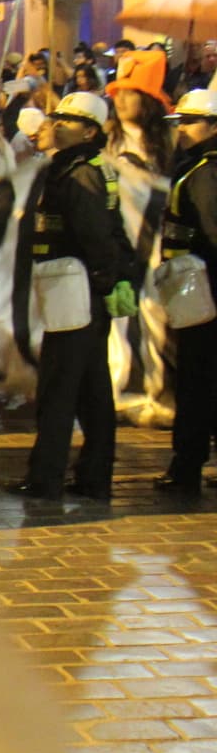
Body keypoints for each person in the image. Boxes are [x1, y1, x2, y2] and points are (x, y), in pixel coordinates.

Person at [13, 91, 140, 502]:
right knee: (91, 389)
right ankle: (92, 478)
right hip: (80, 289)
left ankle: (46, 479)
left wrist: (104, 281)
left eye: (66, 120)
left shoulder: (80, 172)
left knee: (60, 386)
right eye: (55, 117)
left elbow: (95, 234)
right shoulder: (75, 167)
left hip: (77, 291)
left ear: (88, 132)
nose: (54, 125)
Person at [153, 88, 217, 494]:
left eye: (191, 122)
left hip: (205, 292)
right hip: (201, 287)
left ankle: (187, 467)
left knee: (197, 381)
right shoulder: (196, 165)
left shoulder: (206, 171)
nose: (184, 130)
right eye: (181, 122)